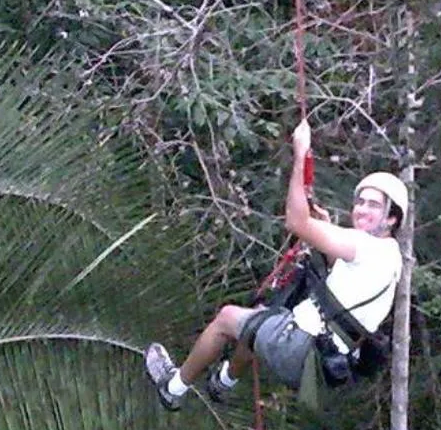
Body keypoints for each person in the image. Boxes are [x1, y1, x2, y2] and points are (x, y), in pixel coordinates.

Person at [146, 118, 406, 410]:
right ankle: (223, 382)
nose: (361, 210)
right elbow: (347, 282)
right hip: (320, 363)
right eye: (360, 202)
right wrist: (324, 230)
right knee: (259, 318)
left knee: (227, 318)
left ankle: (173, 388)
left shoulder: (365, 246)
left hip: (300, 348)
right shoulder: (391, 257)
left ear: (391, 219)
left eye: (373, 205)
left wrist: (300, 154)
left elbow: (295, 221)